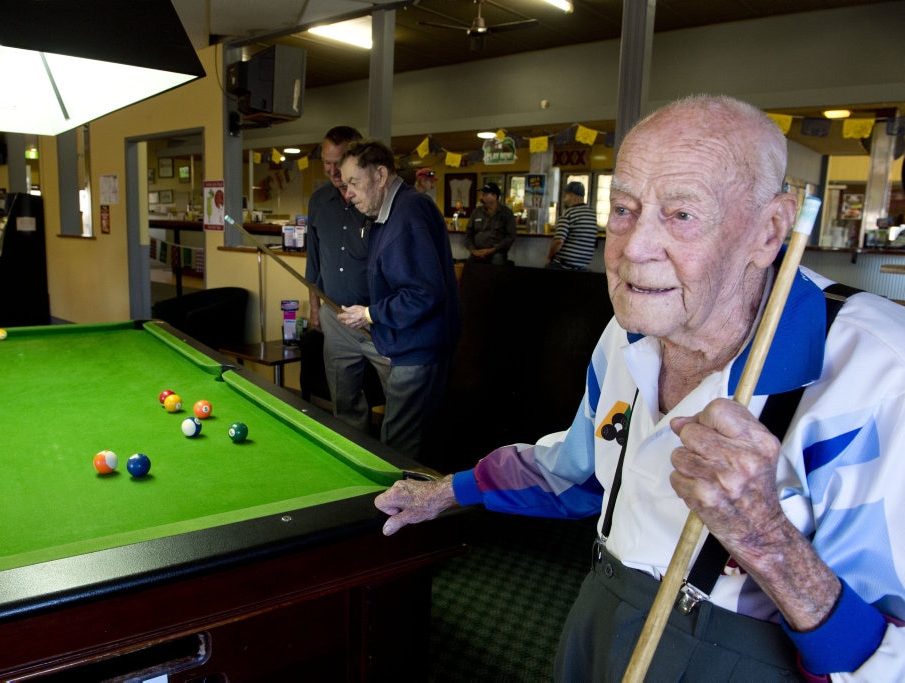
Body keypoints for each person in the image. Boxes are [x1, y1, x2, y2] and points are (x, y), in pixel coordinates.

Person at [374, 95, 905, 680]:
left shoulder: (879, 374)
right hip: (603, 611)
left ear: (769, 229)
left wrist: (768, 541)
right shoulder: (627, 332)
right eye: (623, 208)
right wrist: (448, 491)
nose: (631, 249)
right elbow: (577, 473)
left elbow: (892, 657)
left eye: (681, 215)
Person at [336, 139, 461, 461]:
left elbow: (424, 294)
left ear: (380, 174)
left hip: (419, 351)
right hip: (413, 346)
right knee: (411, 439)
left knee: (396, 447)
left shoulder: (408, 213)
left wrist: (370, 314)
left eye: (353, 182)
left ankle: (392, 508)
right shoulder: (391, 213)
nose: (347, 193)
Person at [305, 125, 390, 434]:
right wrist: (315, 307)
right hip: (335, 314)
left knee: (399, 399)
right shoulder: (318, 201)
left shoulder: (376, 202)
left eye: (338, 162)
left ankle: (398, 467)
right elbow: (313, 261)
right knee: (345, 402)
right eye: (326, 163)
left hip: (377, 319)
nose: (332, 170)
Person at [545, 180, 598, 270]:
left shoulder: (569, 213)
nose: (563, 200)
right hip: (582, 267)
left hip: (563, 266)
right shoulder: (592, 214)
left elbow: (559, 241)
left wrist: (549, 257)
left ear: (572, 196)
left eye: (565, 196)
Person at [464, 182, 516, 265]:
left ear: (494, 196)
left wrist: (492, 250)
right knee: (468, 267)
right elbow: (468, 234)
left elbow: (510, 236)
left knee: (496, 263)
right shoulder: (476, 212)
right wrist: (473, 250)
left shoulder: (506, 213)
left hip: (496, 252)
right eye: (481, 194)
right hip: (477, 252)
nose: (481, 197)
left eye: (484, 195)